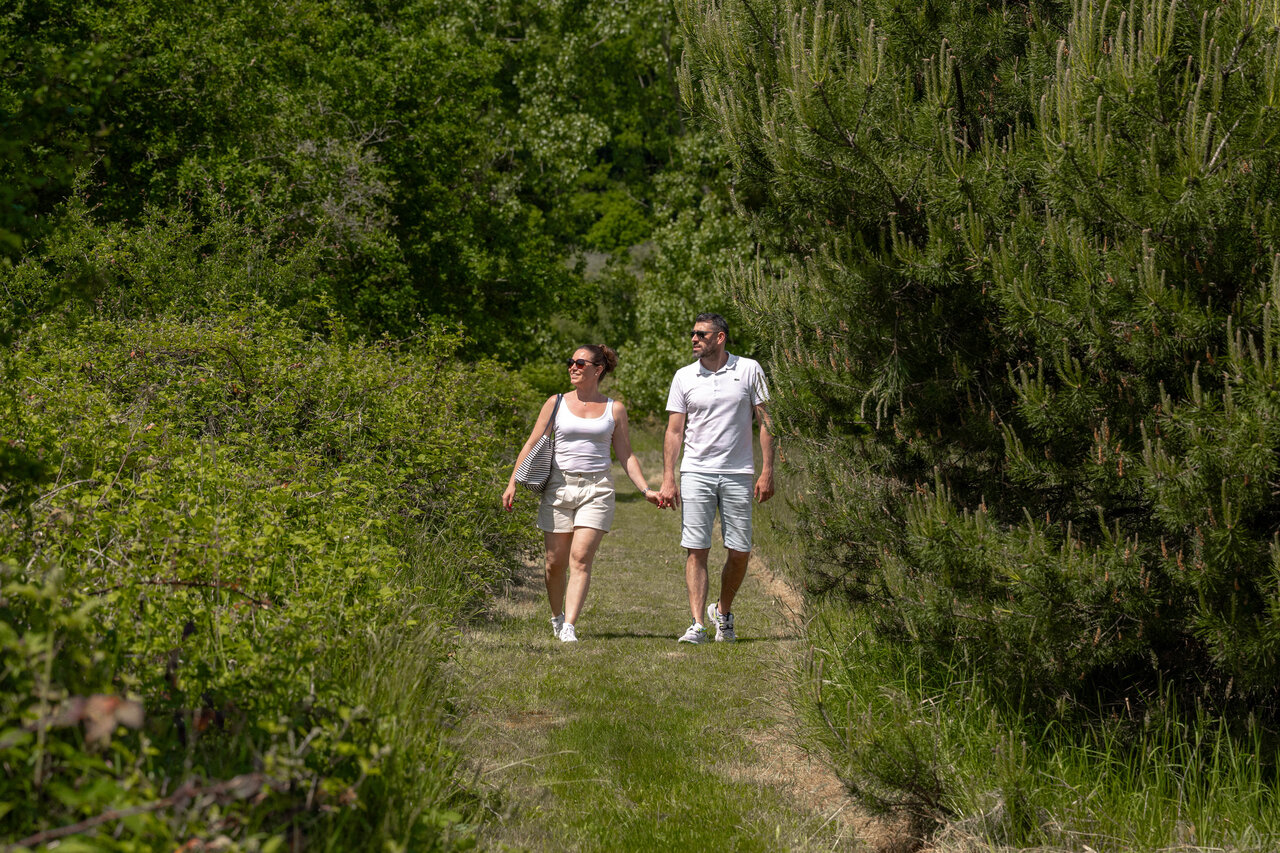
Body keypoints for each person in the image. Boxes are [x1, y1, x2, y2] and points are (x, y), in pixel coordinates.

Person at [503, 345, 660, 643]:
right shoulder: (556, 402)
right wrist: (512, 482)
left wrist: (645, 490)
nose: (572, 367)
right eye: (570, 362)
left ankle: (570, 626)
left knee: (580, 557)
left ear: (597, 369)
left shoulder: (615, 408)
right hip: (558, 487)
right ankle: (556, 616)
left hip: (597, 489)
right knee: (554, 562)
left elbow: (625, 454)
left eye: (579, 363)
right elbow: (531, 442)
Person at [657, 313, 774, 643]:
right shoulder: (684, 377)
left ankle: (722, 612)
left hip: (739, 473)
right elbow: (674, 430)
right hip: (696, 471)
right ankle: (697, 624)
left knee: (740, 551)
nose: (694, 339)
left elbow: (766, 422)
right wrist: (669, 477)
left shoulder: (749, 369)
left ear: (720, 338)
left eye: (701, 334)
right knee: (697, 549)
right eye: (692, 333)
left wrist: (767, 471)